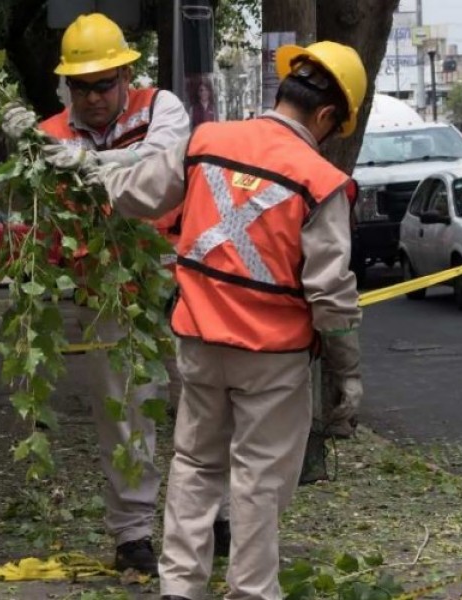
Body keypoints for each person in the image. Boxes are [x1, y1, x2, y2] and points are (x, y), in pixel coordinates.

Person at [77, 41, 367, 600]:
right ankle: (253, 591)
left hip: (199, 341)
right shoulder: (319, 180)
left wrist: (86, 168)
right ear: (328, 116)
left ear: (284, 91)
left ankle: (180, 587)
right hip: (272, 357)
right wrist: (345, 373)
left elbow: (135, 193)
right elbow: (330, 292)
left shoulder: (206, 142)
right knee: (258, 478)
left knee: (194, 463)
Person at [2, 12, 191, 575]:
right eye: (79, 87)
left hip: (177, 277)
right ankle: (133, 534)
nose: (91, 98)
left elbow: (160, 163)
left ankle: (216, 517)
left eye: (103, 84)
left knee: (203, 401)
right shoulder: (50, 137)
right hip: (107, 289)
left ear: (126, 75)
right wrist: (21, 150)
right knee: (124, 413)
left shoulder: (163, 108)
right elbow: (23, 206)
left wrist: (87, 162)